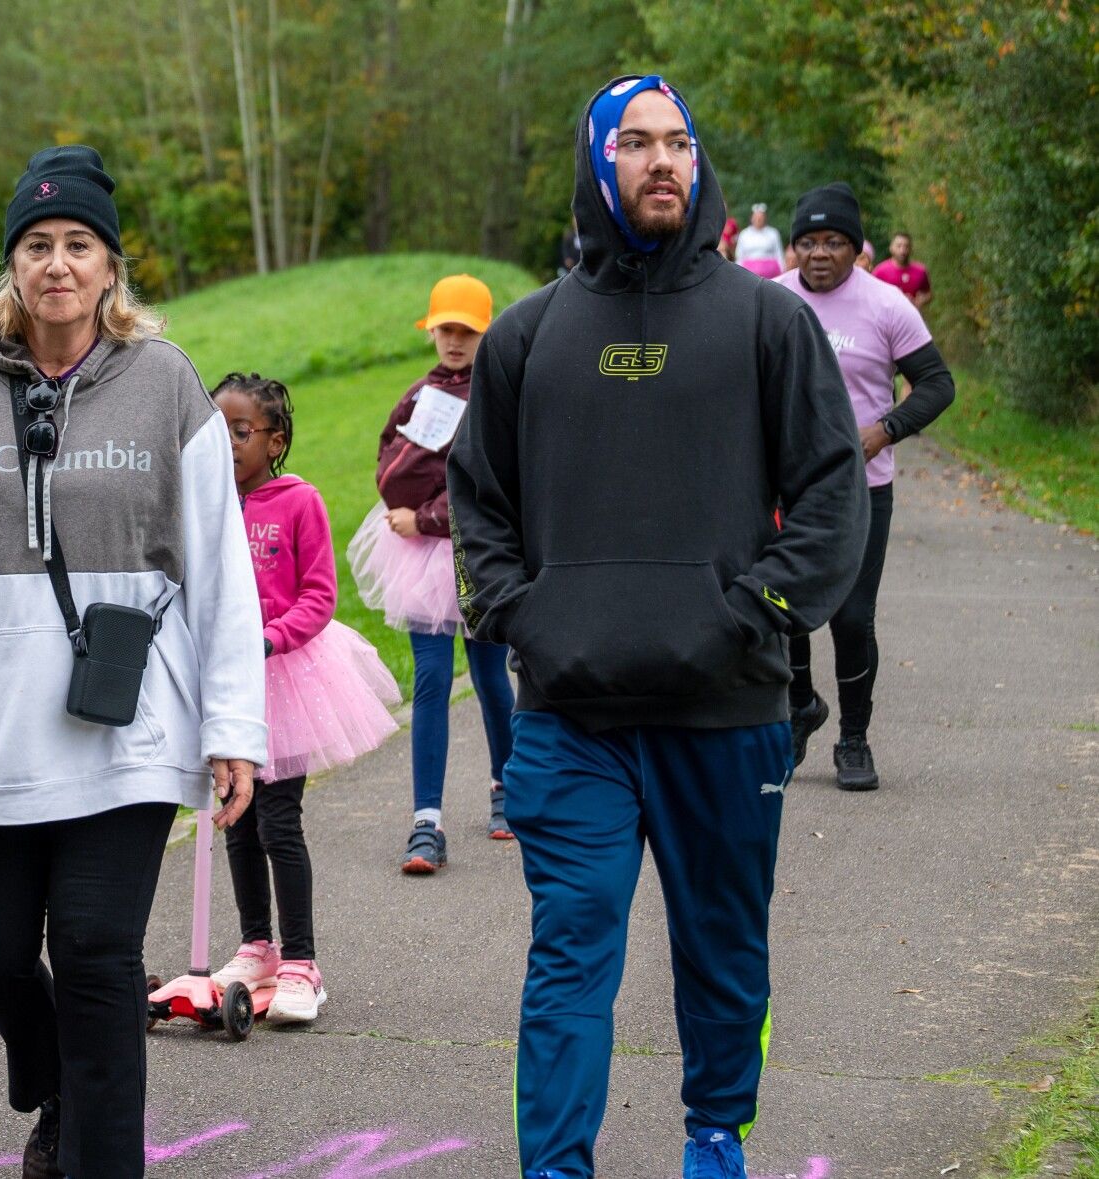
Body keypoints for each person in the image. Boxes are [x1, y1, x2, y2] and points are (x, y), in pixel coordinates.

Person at [448, 75, 868, 1179]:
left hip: (726, 709)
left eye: (678, 141)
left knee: (723, 953)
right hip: (571, 715)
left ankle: (715, 1139)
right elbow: (477, 503)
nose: (662, 160)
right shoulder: (528, 335)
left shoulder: (766, 321)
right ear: (598, 164)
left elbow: (832, 496)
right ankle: (556, 1166)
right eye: (634, 143)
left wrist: (753, 613)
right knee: (569, 955)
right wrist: (523, 616)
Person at [0, 145, 266, 1179]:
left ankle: (98, 1153)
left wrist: (233, 726)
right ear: (12, 265)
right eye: (37, 244)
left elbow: (222, 567)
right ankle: (59, 1084)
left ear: (109, 266)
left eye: (78, 244)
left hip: (124, 730)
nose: (57, 263)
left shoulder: (166, 383)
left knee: (95, 952)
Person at [206, 372, 400, 1024]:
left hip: (284, 676)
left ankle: (302, 962)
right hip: (226, 684)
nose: (227, 443)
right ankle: (256, 946)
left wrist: (270, 638)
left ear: (275, 439)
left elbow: (319, 596)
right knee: (236, 819)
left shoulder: (299, 501)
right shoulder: (206, 503)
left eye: (240, 431)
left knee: (277, 821)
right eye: (216, 431)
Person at [775, 183, 955, 789]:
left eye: (833, 242)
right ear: (794, 248)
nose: (819, 254)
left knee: (851, 619)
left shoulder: (886, 306)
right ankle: (800, 708)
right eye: (808, 242)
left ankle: (854, 739)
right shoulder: (771, 300)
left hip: (862, 488)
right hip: (787, 488)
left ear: (856, 248)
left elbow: (937, 383)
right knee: (784, 609)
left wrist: (885, 431)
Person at [347, 273, 517, 873]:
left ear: (485, 334)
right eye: (446, 329)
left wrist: (425, 518)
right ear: (431, 331)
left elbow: (489, 479)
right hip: (420, 562)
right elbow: (388, 454)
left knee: (491, 676)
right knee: (432, 680)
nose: (454, 340)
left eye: (466, 331)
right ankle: (427, 821)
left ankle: (507, 788)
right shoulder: (419, 394)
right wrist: (401, 509)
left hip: (477, 555)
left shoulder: (493, 396)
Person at [872, 232, 932, 309]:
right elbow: (871, 294)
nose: (902, 250)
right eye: (899, 246)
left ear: (911, 249)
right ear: (891, 248)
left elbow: (928, 293)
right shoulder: (880, 271)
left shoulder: (921, 271)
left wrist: (921, 300)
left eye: (906, 246)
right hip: (888, 315)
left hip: (911, 314)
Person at [734, 202, 784, 278]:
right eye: (756, 217)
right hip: (749, 274)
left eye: (761, 218)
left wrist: (782, 269)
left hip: (771, 274)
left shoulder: (773, 233)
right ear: (751, 218)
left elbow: (779, 253)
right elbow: (739, 255)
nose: (758, 220)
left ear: (765, 218)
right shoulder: (744, 234)